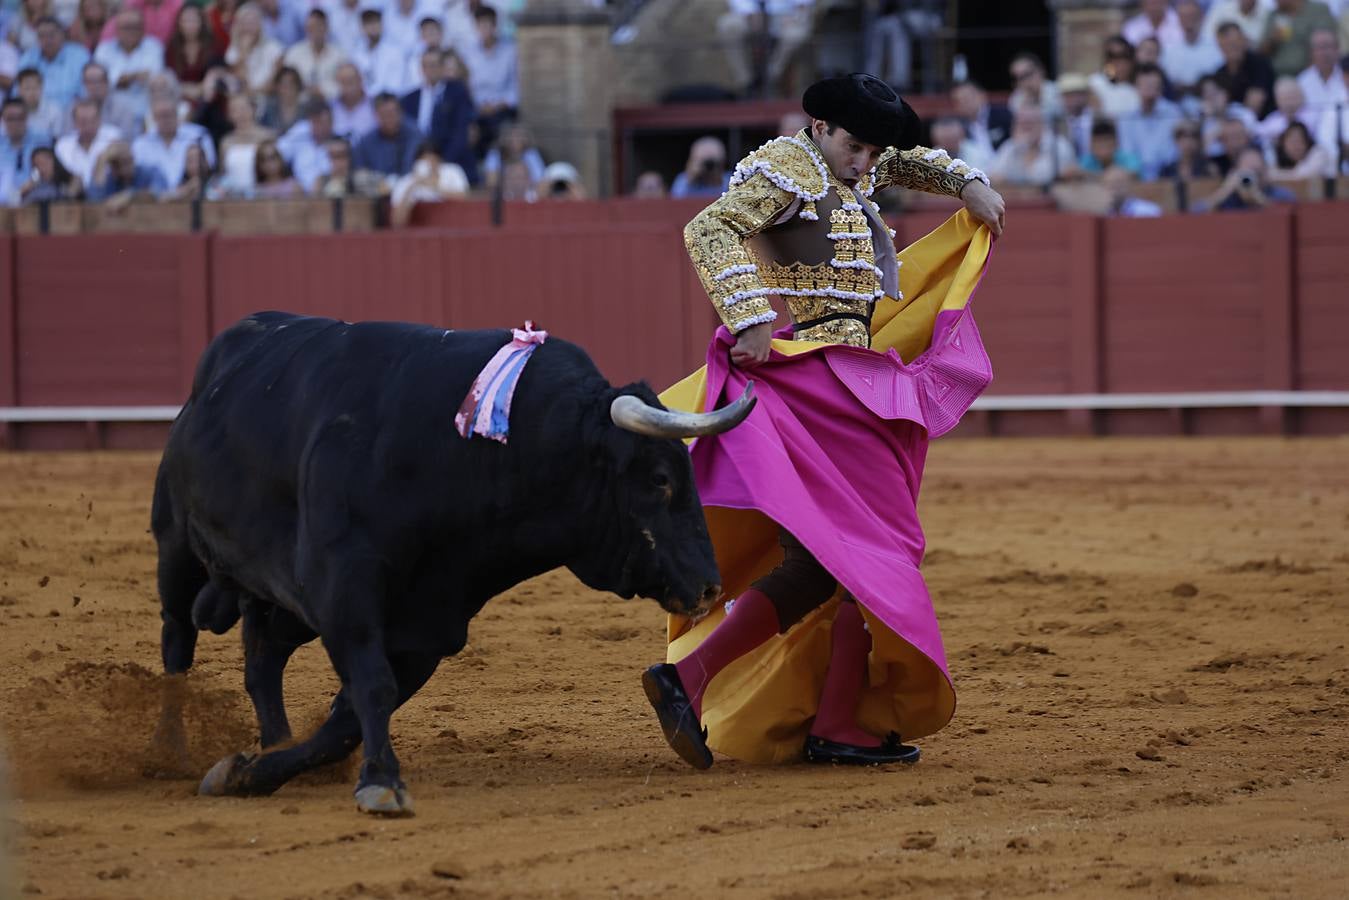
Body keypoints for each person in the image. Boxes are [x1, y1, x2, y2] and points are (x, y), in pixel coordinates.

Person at [645, 73, 1005, 771]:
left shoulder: (847, 166)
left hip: (847, 388)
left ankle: (837, 720)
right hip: (812, 385)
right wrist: (748, 319)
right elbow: (709, 226)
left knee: (850, 561)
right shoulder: (788, 170)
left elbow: (905, 161)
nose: (866, 163)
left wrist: (966, 183)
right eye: (855, 146)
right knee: (850, 555)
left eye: (871, 151)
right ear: (818, 128)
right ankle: (695, 679)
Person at [988, 102, 1081, 187]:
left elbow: (1071, 176)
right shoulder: (1009, 147)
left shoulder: (1059, 146)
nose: (1026, 127)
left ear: (1042, 124)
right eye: (1021, 123)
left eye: (1030, 122)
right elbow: (994, 177)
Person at [389, 141, 468, 225]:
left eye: (432, 160)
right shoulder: (406, 182)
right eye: (424, 161)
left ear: (439, 160)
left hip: (452, 226)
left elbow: (464, 196)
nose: (429, 165)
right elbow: (397, 223)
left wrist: (433, 187)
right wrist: (411, 188)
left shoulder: (452, 171)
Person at [1195, 144, 1298, 208]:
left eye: (1257, 173)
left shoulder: (1281, 194)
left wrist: (1259, 199)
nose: (1251, 179)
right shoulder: (1229, 197)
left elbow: (1290, 217)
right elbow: (1194, 215)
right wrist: (1223, 192)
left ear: (1265, 172)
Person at [351, 91, 420, 177]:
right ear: (375, 115)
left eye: (392, 113)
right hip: (376, 187)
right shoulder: (366, 143)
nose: (389, 118)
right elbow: (360, 171)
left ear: (401, 112)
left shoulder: (415, 135)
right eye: (383, 114)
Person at [1260, 0, 1337, 77]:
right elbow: (1261, 52)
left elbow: (1328, 44)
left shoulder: (1318, 11)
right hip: (1279, 75)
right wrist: (1273, 41)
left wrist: (1309, 75)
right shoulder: (1274, 15)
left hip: (1313, 74)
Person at [54, 96, 121, 185]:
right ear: (74, 122)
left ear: (100, 120)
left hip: (108, 192)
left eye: (93, 121)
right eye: (83, 122)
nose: (89, 126)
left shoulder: (113, 137)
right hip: (74, 196)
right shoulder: (63, 146)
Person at [1162, 0, 1224, 93]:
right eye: (1184, 17)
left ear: (1201, 17)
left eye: (1192, 17)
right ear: (1179, 20)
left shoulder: (1216, 47)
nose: (1189, 22)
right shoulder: (1169, 50)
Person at [1296, 27, 1347, 113]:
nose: (1324, 53)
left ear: (1337, 49)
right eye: (1319, 48)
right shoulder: (1302, 81)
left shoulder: (1346, 76)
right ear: (1311, 52)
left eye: (1328, 46)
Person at [1270, 118, 1334, 177]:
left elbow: (1303, 175)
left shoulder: (1319, 153)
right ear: (1283, 144)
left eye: (1299, 140)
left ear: (1307, 142)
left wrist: (1279, 174)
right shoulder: (1279, 157)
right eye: (1292, 141)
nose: (1296, 146)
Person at [19, 144, 83, 202]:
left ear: (54, 162)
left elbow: (71, 197)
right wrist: (24, 191)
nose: (41, 168)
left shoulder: (72, 179)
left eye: (44, 163)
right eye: (37, 165)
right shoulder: (34, 187)